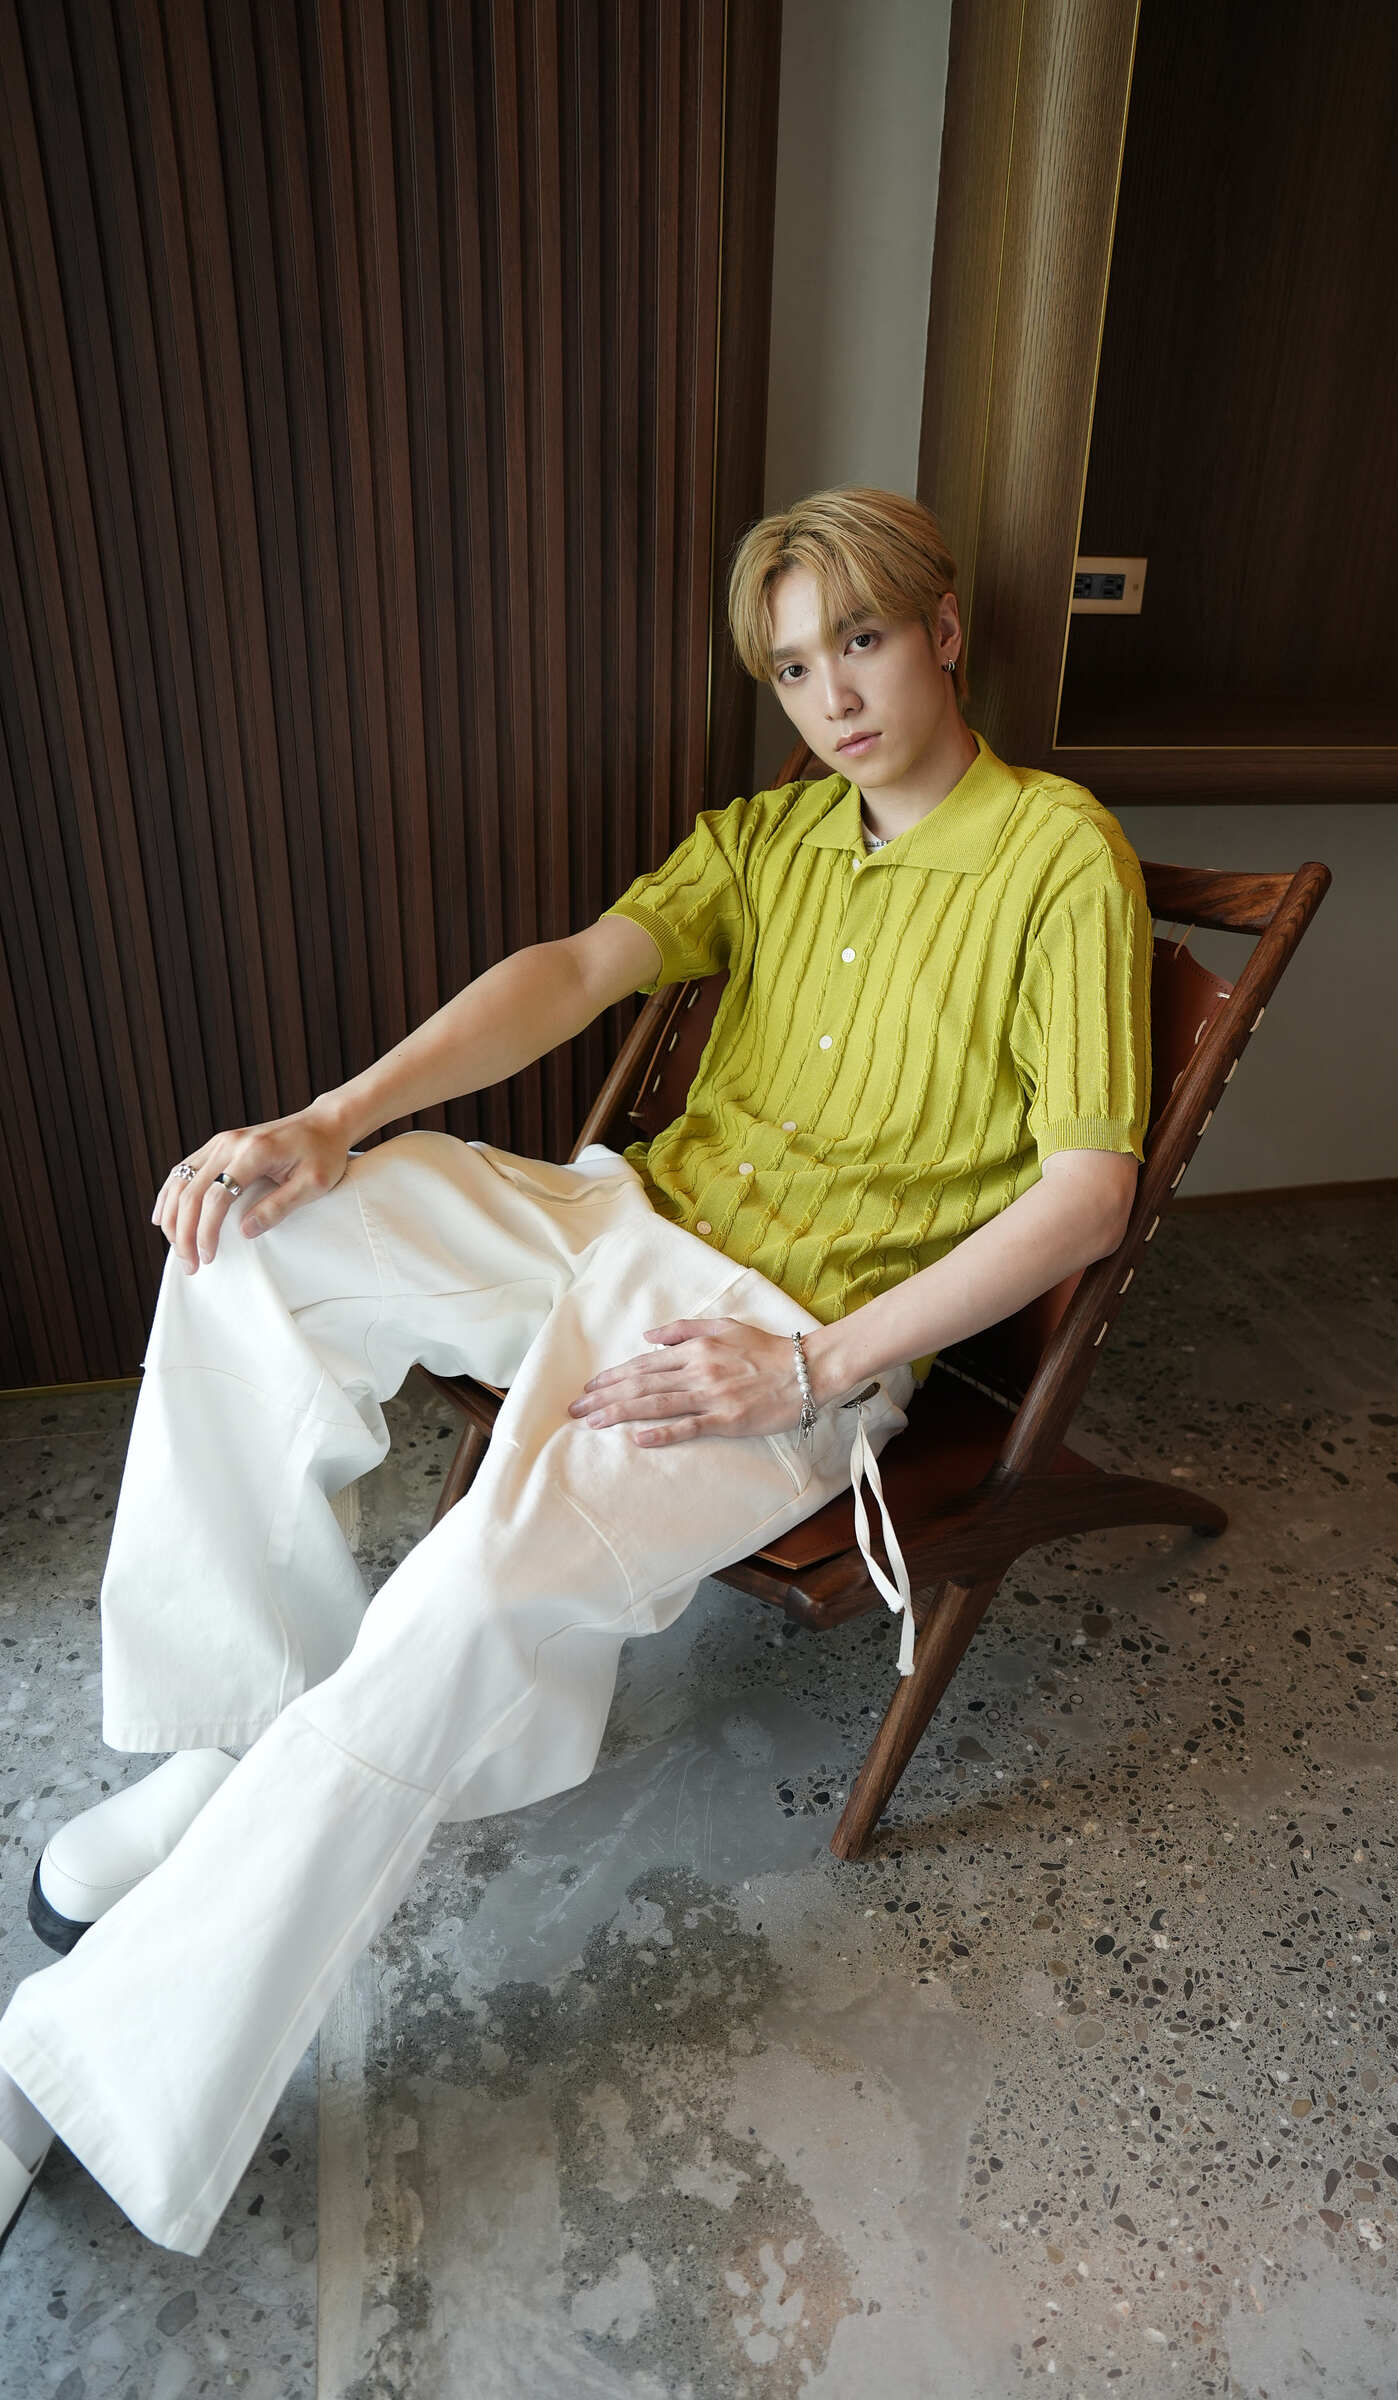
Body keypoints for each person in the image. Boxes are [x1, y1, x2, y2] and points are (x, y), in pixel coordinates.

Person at [0, 486, 1152, 2256]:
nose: (833, 696)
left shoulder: (1060, 854)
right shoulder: (773, 837)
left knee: (470, 1600)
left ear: (941, 631)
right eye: (793, 666)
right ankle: (233, 1739)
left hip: (778, 1330)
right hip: (614, 1216)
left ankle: (84, 2064)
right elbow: (574, 971)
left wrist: (812, 1365)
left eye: (859, 640)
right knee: (257, 1238)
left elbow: (1088, 1193)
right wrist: (330, 1119)